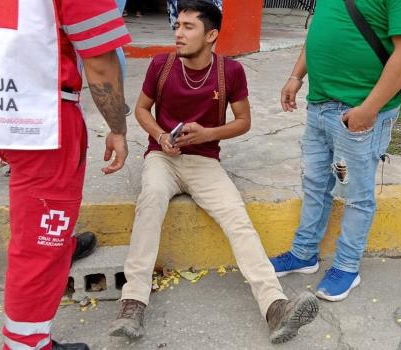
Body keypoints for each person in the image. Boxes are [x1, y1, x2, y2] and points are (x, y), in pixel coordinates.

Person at [0, 0, 131, 349]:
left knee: (35, 204)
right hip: (44, 120)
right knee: (40, 238)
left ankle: (57, 244)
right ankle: (25, 342)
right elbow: (100, 63)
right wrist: (117, 129)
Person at [109, 0, 318, 344]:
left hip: (205, 161)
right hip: (162, 157)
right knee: (150, 203)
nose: (178, 32)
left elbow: (243, 121)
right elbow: (142, 110)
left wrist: (208, 134)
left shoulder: (230, 72)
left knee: (237, 217)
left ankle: (275, 306)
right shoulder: (161, 65)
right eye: (177, 26)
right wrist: (161, 136)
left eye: (188, 27)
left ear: (211, 35)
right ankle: (132, 303)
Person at [270, 0, 401, 301]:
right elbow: (320, 28)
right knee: (315, 184)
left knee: (356, 195)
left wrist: (369, 109)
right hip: (319, 103)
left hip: (358, 112)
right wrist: (296, 76)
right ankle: (304, 254)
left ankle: (347, 266)